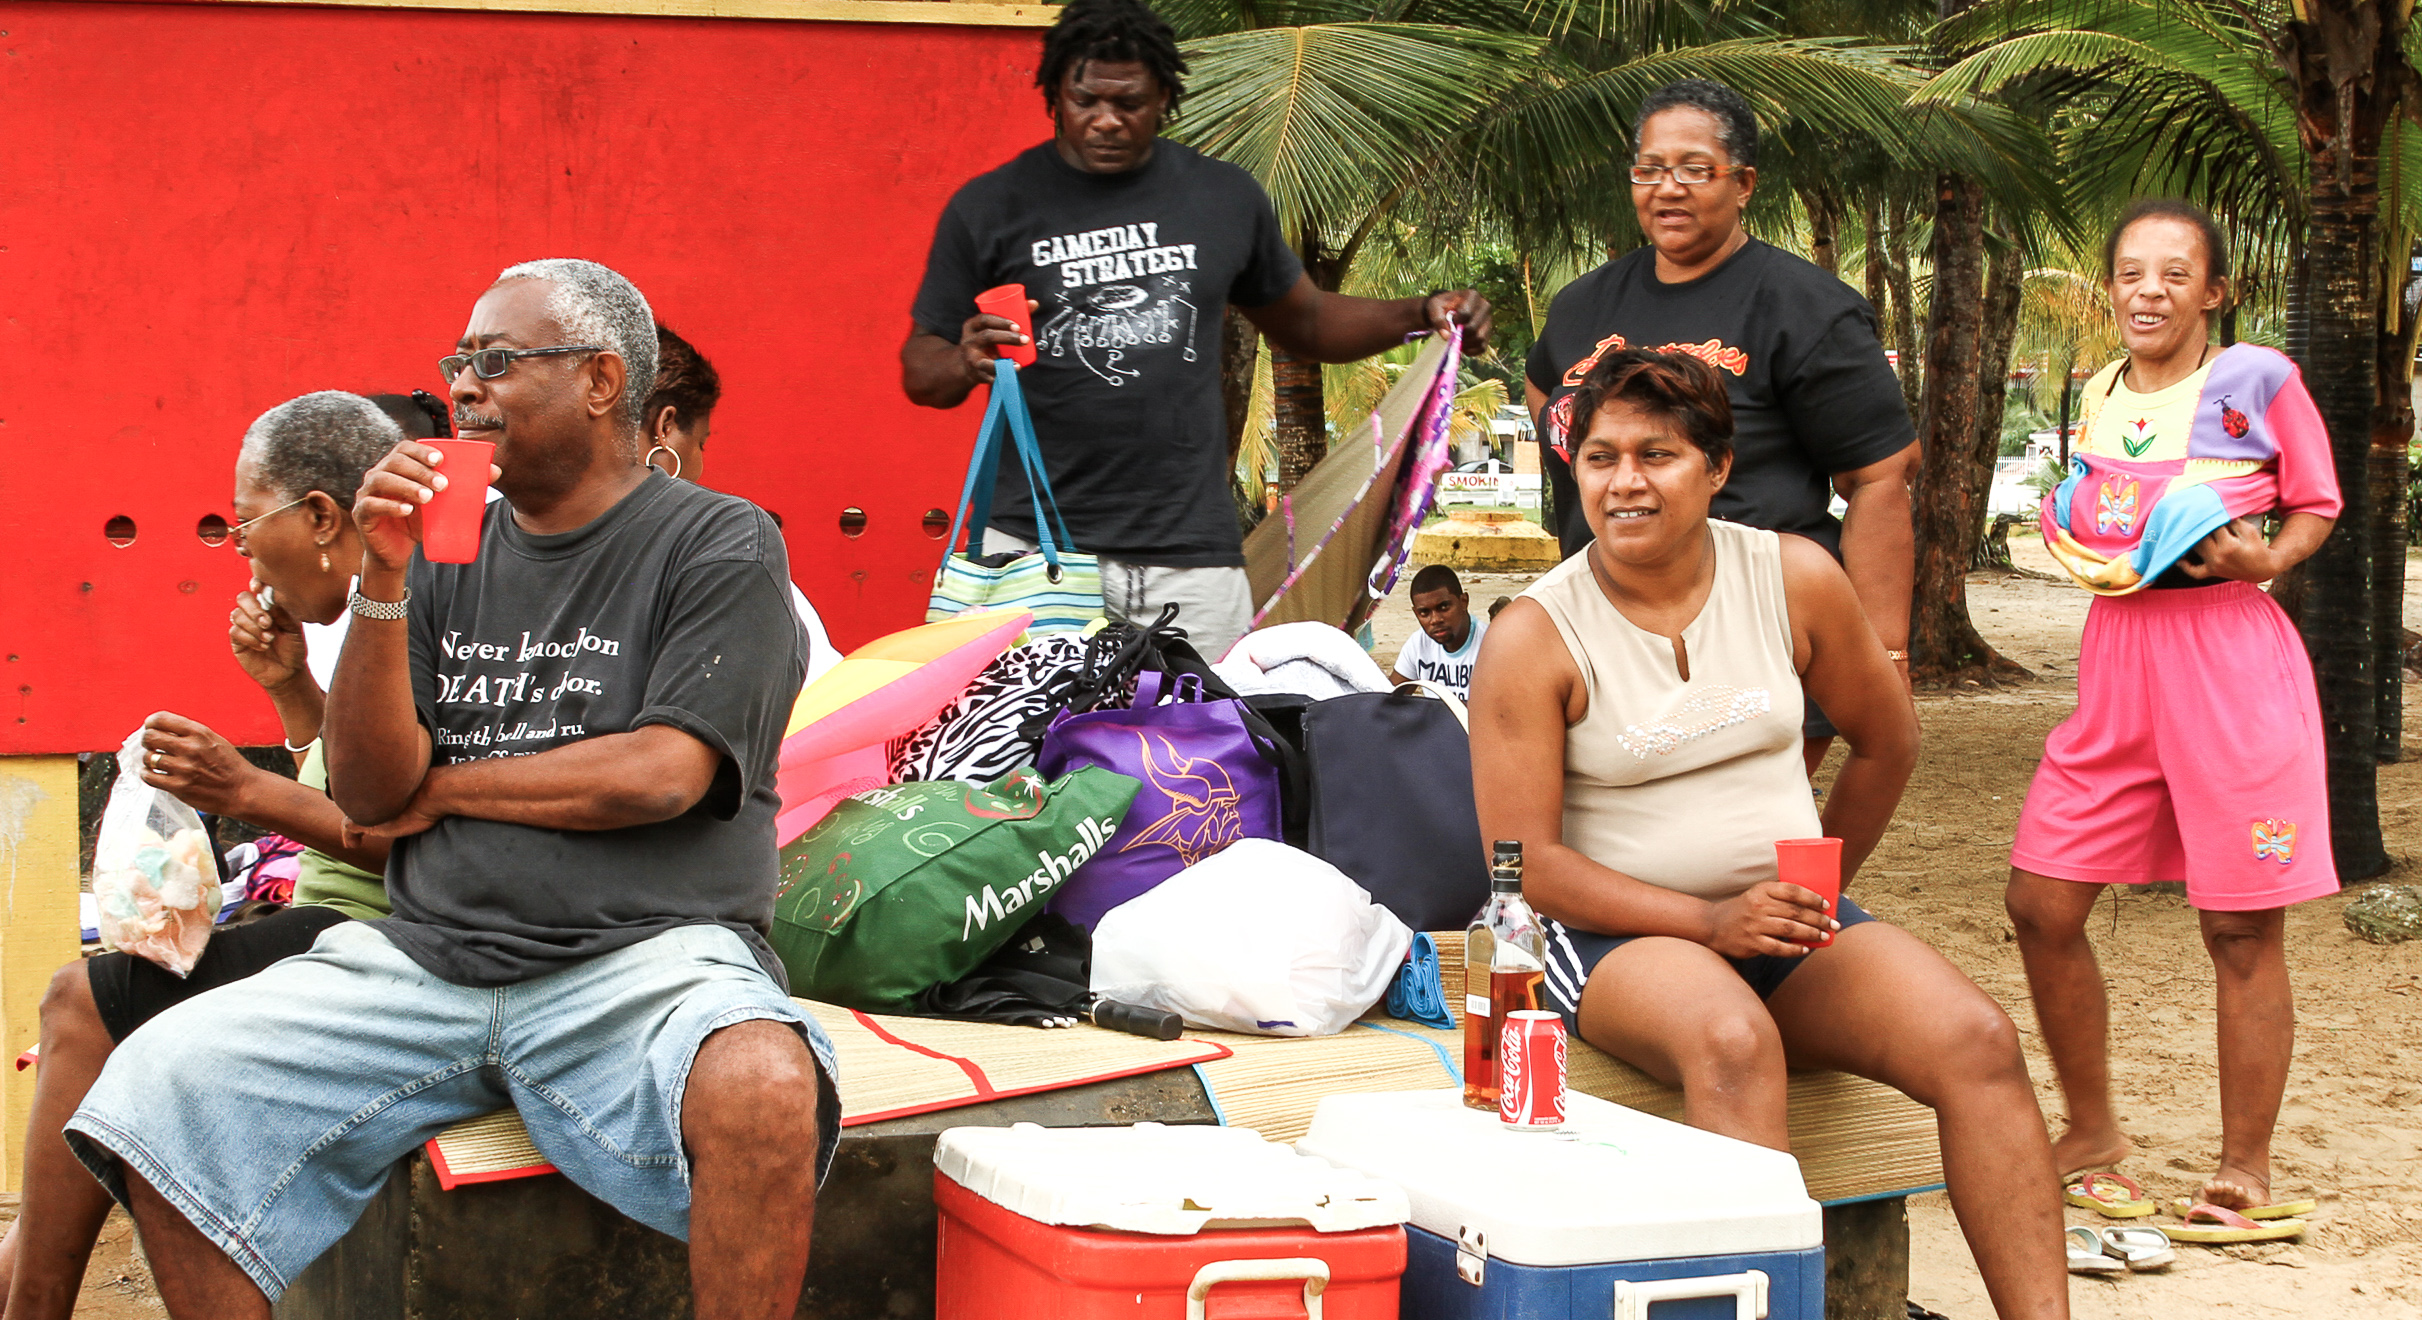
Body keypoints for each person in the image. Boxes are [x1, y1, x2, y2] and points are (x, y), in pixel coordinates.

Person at [62, 259, 837, 1319]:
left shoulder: (717, 540)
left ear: (603, 380)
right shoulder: (438, 555)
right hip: (421, 962)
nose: (462, 389)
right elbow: (378, 793)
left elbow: (663, 774)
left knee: (764, 1079)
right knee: (159, 1086)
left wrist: (453, 788)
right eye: (458, 364)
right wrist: (383, 579)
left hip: (644, 961)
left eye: (496, 362)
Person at [1472, 348, 2066, 1320]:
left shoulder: (1790, 578)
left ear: (1715, 467)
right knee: (1734, 1040)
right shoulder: (1534, 636)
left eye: (1656, 454)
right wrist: (1708, 922)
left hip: (1775, 919)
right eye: (1600, 456)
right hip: (1610, 936)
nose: (1624, 480)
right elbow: (1520, 866)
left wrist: (1818, 885)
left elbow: (1884, 740)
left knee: (1977, 1040)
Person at [900, 0, 1491, 659]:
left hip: (1191, 560)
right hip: (1037, 552)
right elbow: (920, 368)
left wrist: (1420, 312)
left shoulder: (1222, 198)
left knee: (1199, 753)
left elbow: (1309, 322)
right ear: (1055, 92)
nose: (1106, 120)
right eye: (1086, 99)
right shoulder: (990, 207)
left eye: (1130, 103)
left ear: (1164, 98)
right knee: (1032, 752)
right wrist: (963, 360)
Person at [0, 392, 416, 1320]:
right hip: (335, 919)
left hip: (383, 937)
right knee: (93, 1006)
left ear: (318, 516)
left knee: (85, 1003)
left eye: (244, 523)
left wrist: (245, 790)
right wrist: (292, 689)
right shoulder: (354, 618)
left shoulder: (407, 615)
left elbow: (416, 842)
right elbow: (358, 782)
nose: (241, 551)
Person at [2005, 201, 2339, 1217]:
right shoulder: (2100, 388)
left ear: (2213, 291)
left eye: (2172, 273)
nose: (2147, 291)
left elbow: (2315, 501)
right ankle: (2093, 1127)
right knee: (2040, 902)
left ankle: (2246, 1165)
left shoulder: (2258, 380)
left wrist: (2270, 558)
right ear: (2110, 289)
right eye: (2130, 273)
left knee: (2238, 928)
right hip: (2118, 663)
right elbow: (2090, 511)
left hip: (2230, 658)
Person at [1525, 79, 1917, 773]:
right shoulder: (1582, 305)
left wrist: (1883, 655)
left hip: (1752, 633)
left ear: (1744, 183)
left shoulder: (1806, 309)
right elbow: (1546, 401)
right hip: (1598, 630)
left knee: (1739, 850)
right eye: (1649, 168)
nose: (1667, 188)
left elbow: (1880, 479)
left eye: (1695, 169)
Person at [643, 322, 838, 685]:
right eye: (701, 442)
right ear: (665, 427)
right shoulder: (731, 552)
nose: (700, 467)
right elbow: (826, 697)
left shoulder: (507, 522)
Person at [1393, 564, 1486, 700]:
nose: (1435, 620)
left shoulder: (1490, 644)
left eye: (1443, 607)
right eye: (1424, 612)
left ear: (1463, 602)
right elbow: (1389, 703)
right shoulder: (1418, 644)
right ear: (1416, 613)